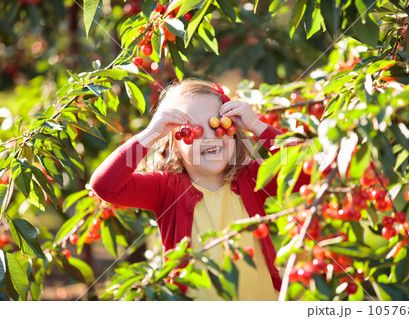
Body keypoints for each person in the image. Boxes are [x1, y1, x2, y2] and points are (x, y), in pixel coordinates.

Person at [90, 79, 310, 300]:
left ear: (234, 130)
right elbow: (104, 186)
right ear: (173, 144)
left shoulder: (252, 178)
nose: (209, 136)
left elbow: (310, 170)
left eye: (218, 125)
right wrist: (150, 133)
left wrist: (259, 126)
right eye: (192, 130)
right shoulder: (166, 189)